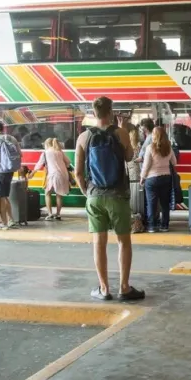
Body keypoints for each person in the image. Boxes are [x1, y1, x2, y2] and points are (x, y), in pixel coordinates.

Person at [75, 96, 144, 301]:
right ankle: (124, 287)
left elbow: (78, 173)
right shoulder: (120, 133)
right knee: (124, 241)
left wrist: (87, 193)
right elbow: (130, 157)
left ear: (94, 113)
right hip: (118, 195)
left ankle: (104, 289)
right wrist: (125, 132)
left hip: (95, 196)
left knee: (99, 242)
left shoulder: (84, 137)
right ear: (111, 111)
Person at [140, 126, 177, 233]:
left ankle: (151, 226)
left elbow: (146, 165)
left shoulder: (150, 147)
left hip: (152, 179)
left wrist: (142, 177)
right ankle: (164, 225)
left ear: (154, 135)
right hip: (166, 177)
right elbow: (174, 162)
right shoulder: (168, 147)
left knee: (152, 203)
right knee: (165, 203)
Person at [29, 137, 71, 221]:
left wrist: (32, 173)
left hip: (53, 175)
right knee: (59, 195)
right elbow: (68, 162)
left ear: (46, 144)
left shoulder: (46, 153)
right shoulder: (59, 151)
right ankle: (58, 214)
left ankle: (50, 214)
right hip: (63, 174)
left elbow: (39, 164)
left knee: (47, 193)